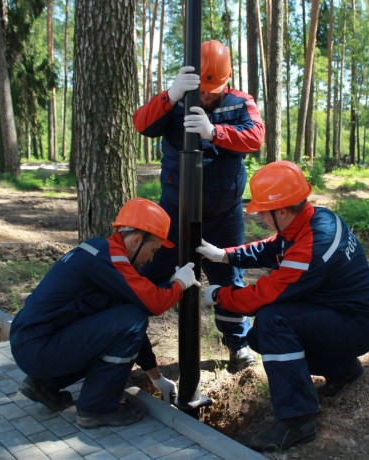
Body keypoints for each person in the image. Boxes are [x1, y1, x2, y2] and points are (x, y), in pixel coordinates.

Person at [196, 161, 369, 452]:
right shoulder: (312, 219)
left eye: (264, 213)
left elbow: (263, 296)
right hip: (344, 316)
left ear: (282, 211)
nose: (261, 218)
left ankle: (298, 420)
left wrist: (219, 295)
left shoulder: (311, 248)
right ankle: (343, 369)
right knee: (260, 336)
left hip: (357, 325)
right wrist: (224, 255)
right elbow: (273, 246)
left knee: (273, 321)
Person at [9, 198, 200, 428]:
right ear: (137, 240)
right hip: (39, 349)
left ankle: (44, 385)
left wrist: (157, 378)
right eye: (153, 250)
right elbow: (153, 305)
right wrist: (179, 284)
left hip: (32, 344)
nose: (151, 258)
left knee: (128, 320)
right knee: (133, 319)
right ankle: (96, 408)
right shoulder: (113, 259)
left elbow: (127, 329)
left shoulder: (102, 253)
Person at [133, 39, 265, 371]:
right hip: (174, 213)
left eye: (213, 91)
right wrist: (171, 96)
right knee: (148, 275)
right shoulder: (177, 99)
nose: (206, 97)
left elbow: (255, 137)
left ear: (228, 80)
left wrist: (214, 131)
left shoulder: (240, 102)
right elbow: (142, 124)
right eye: (202, 91)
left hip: (224, 215)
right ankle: (128, 342)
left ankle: (238, 346)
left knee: (229, 280)